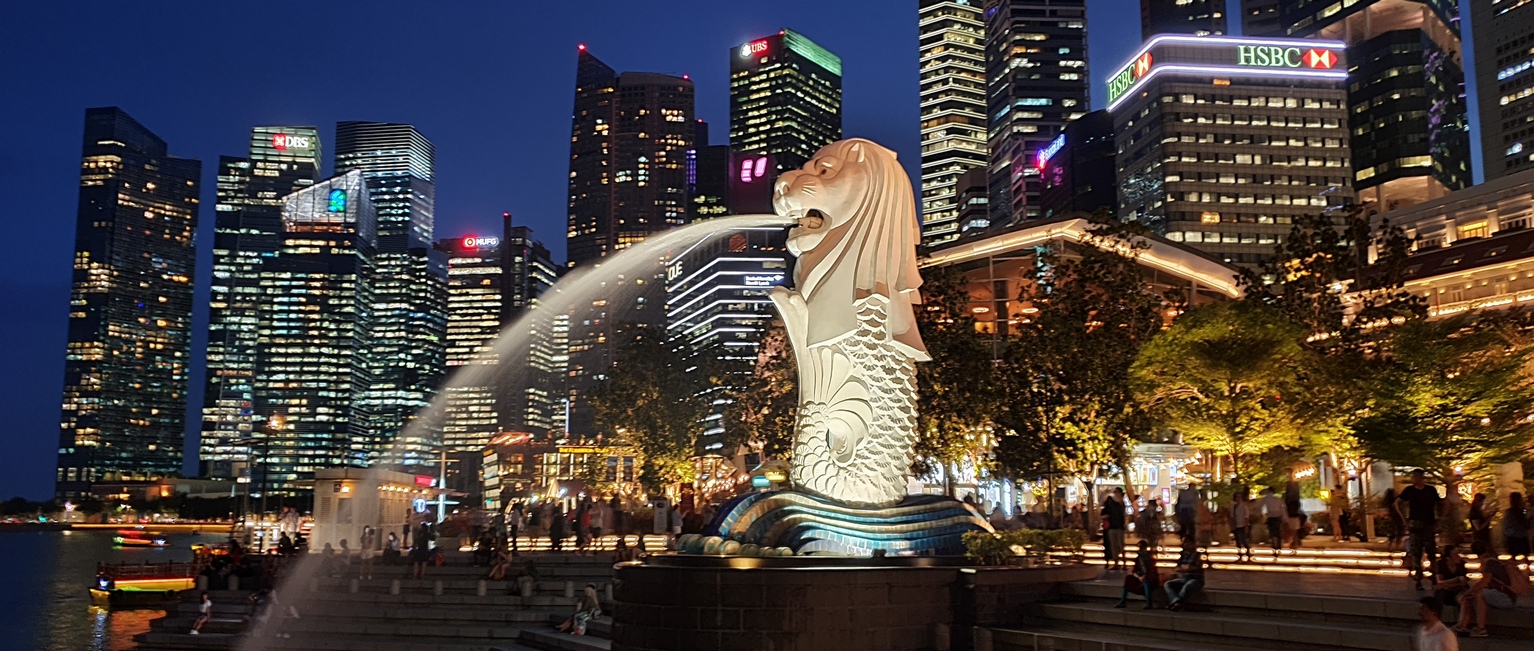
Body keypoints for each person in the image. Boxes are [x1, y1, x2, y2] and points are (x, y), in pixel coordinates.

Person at [1454, 546, 1529, 637]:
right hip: (1508, 597)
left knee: (1479, 593)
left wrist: (1467, 593)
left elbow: (1484, 582)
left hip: (1506, 598)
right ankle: (1462, 625)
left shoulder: (1490, 563)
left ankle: (1481, 629)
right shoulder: (1497, 564)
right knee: (1473, 597)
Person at [1398, 469, 1442, 591]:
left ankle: (1434, 576)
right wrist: (1405, 520)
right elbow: (1398, 503)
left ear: (1422, 478)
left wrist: (1439, 519)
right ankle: (1418, 578)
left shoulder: (1430, 490)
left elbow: (1440, 503)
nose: (1414, 479)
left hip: (1429, 523)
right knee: (1416, 552)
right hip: (1415, 523)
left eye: (1416, 477)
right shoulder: (1409, 490)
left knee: (1431, 551)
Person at [1114, 540, 1161, 609]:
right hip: (1140, 577)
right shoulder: (1138, 558)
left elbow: (1152, 571)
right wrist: (1138, 576)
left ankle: (1149, 603)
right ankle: (1123, 601)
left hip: (1150, 579)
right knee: (1128, 578)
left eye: (1141, 547)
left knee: (1146, 581)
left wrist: (1144, 576)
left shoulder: (1150, 559)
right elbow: (1134, 571)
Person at [1164, 539, 1206, 611]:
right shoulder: (1182, 555)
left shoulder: (1197, 555)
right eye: (1184, 543)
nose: (1185, 545)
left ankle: (1175, 603)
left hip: (1195, 579)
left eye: (1187, 543)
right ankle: (1177, 601)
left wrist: (1183, 568)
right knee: (1167, 584)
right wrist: (1185, 568)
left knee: (1187, 586)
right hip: (1183, 578)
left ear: (1192, 544)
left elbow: (1192, 567)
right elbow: (1177, 568)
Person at [1101, 488, 1127, 571]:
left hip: (1119, 527)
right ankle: (1117, 563)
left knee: (1120, 545)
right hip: (1113, 526)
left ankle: (1123, 563)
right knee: (1114, 546)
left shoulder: (1120, 503)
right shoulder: (1111, 502)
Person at [1503, 492, 1530, 562]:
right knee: (1524, 557)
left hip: (1513, 537)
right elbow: (1525, 522)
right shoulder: (1519, 511)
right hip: (1519, 537)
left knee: (1515, 558)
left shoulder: (1511, 512)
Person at [1259, 487, 1285, 557]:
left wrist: (1262, 515)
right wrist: (1283, 517)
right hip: (1278, 516)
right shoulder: (1278, 499)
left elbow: (1260, 507)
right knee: (1278, 532)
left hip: (1270, 517)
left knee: (1272, 532)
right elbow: (1282, 508)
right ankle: (1279, 546)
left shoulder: (1265, 499)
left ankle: (1274, 546)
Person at [1229, 489, 1253, 562]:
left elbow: (1246, 517)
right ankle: (1239, 555)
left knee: (1244, 541)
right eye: (1237, 497)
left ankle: (1248, 553)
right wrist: (1232, 525)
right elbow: (1232, 517)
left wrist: (1246, 526)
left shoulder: (1244, 506)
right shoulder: (1234, 507)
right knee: (1238, 542)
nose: (1238, 498)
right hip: (1236, 525)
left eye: (1239, 497)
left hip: (1242, 525)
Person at [1284, 472, 1304, 550]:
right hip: (1294, 513)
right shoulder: (1295, 499)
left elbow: (1288, 498)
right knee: (1294, 529)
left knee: (1293, 529)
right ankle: (1296, 542)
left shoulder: (1290, 499)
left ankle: (1295, 542)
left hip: (1292, 513)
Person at [1383, 488, 1406, 553]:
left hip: (1393, 518)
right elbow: (1399, 510)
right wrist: (1403, 518)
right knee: (1400, 532)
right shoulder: (1396, 502)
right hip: (1398, 518)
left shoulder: (1389, 503)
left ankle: (1390, 546)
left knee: (1393, 532)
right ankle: (1396, 546)